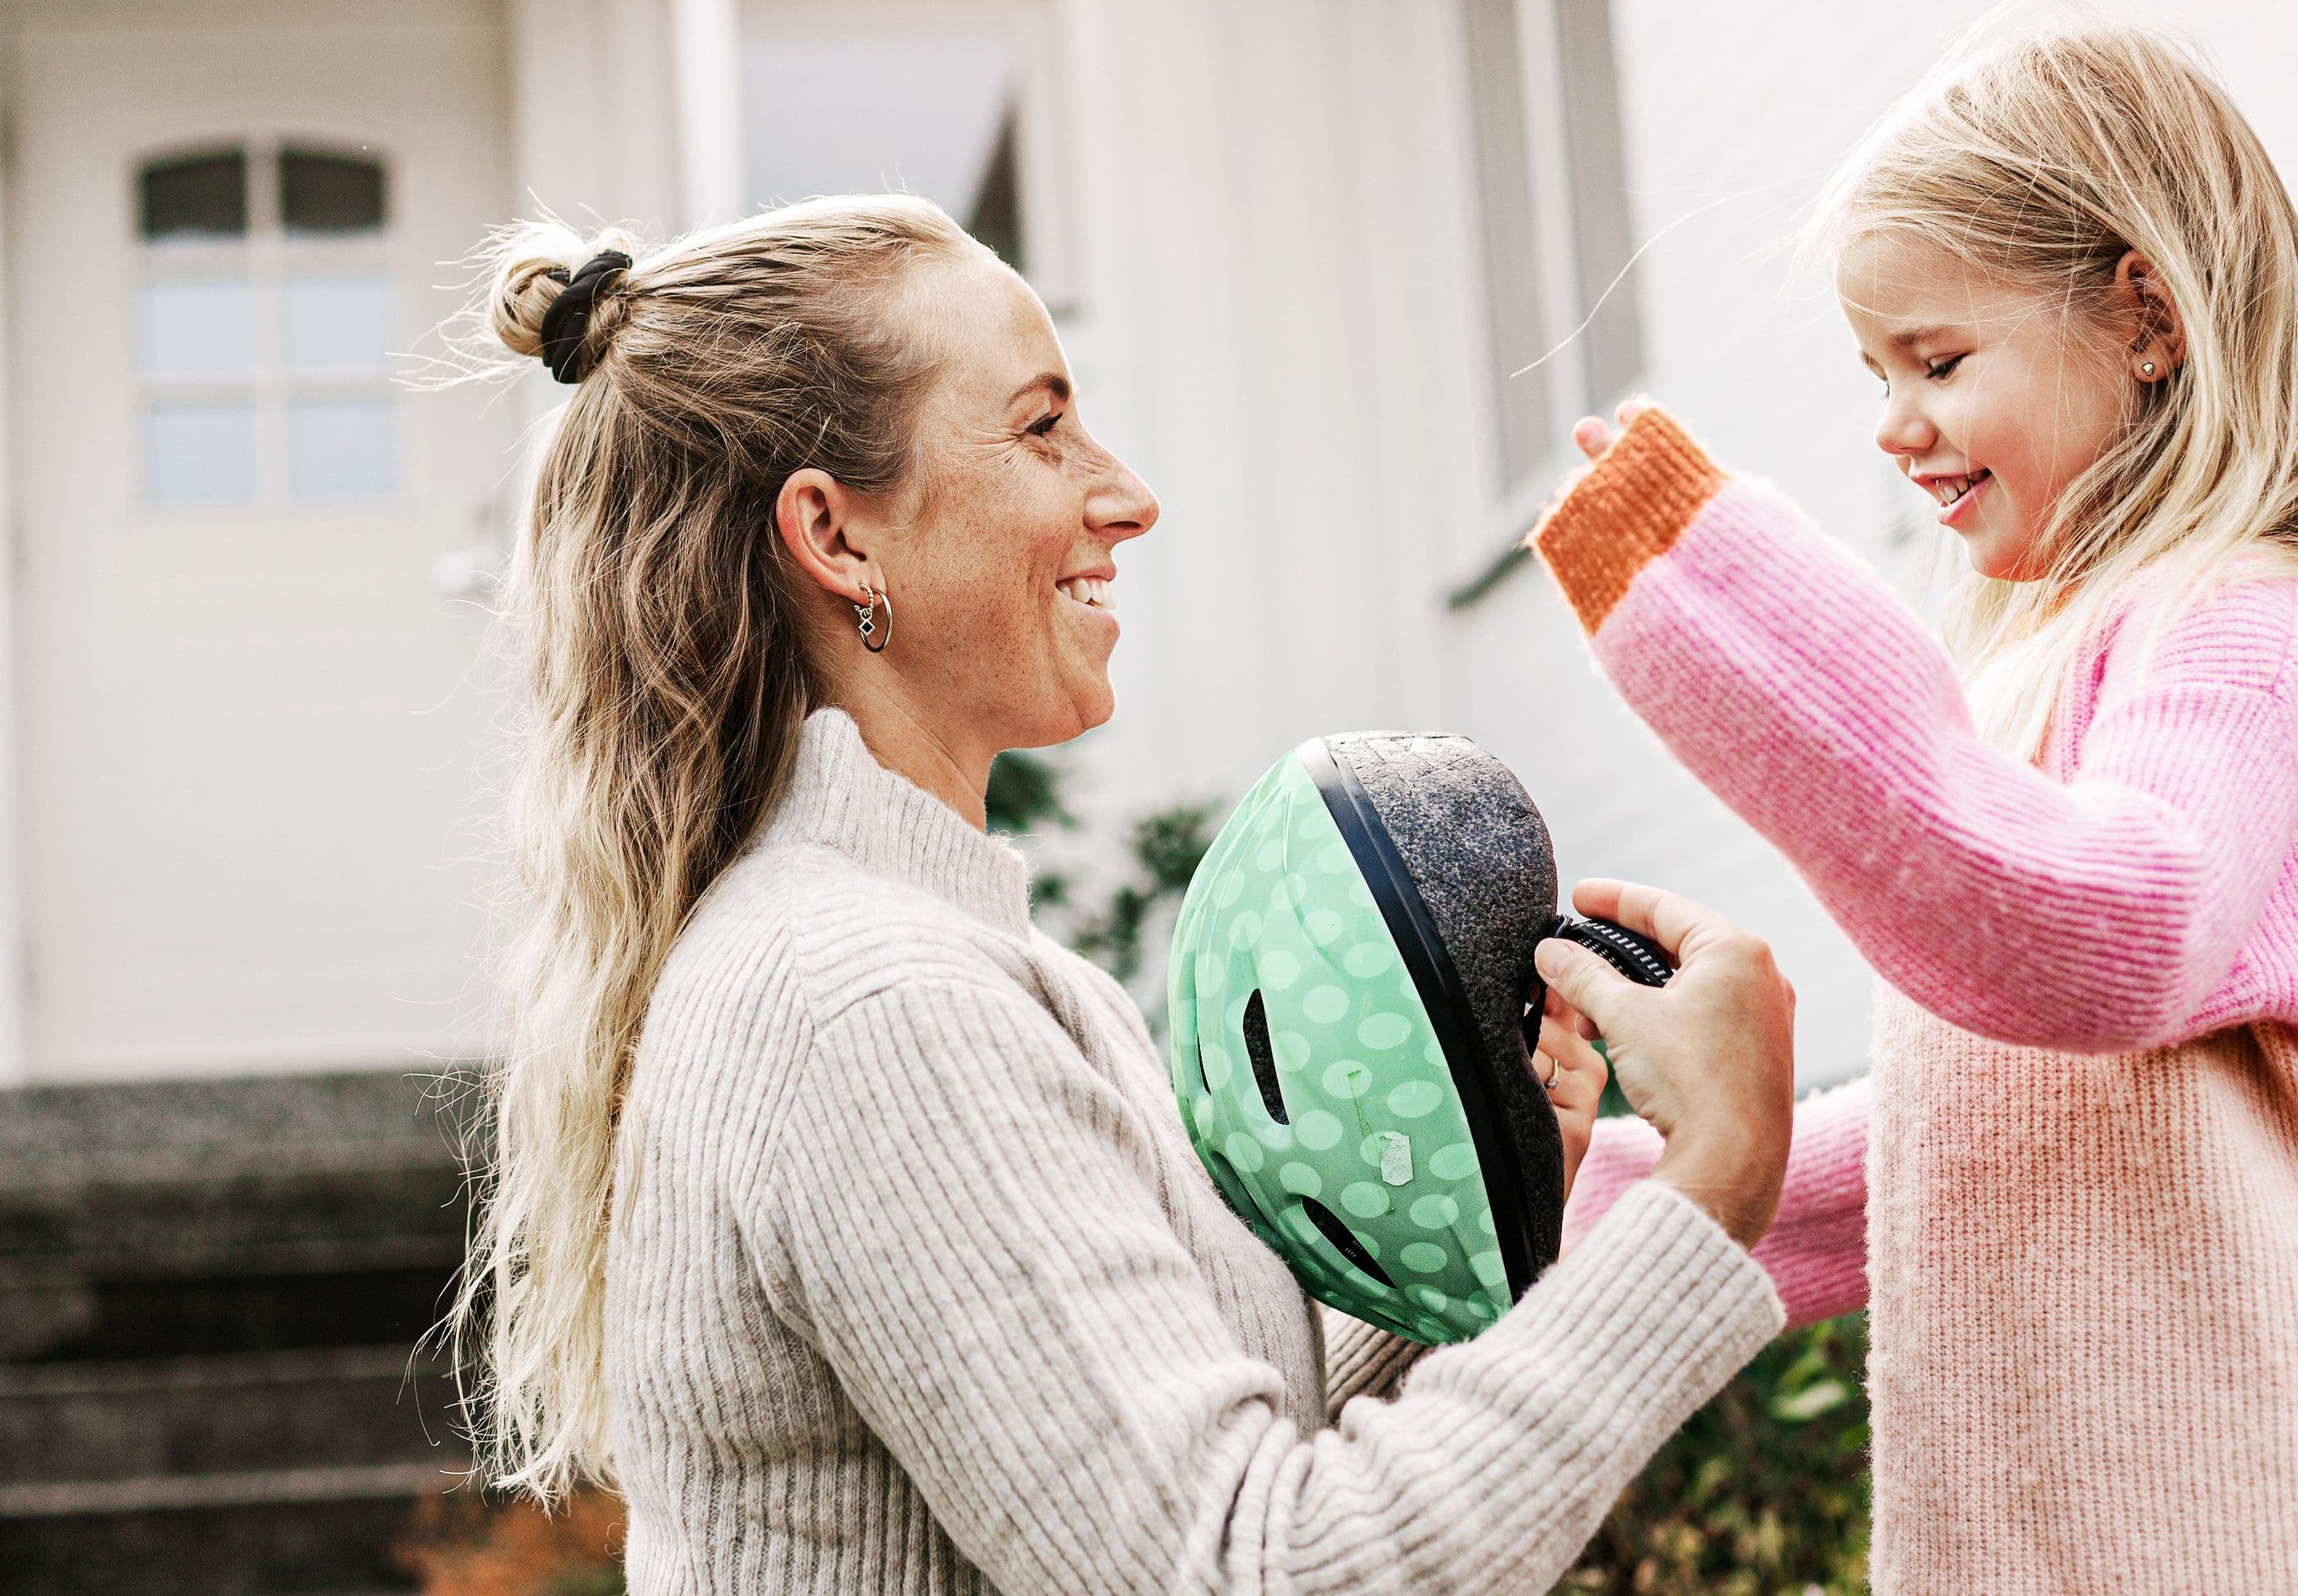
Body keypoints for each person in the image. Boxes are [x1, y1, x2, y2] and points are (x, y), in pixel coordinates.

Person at [450, 192, 1799, 1594]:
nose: (1128, 496)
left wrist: (1503, 1198)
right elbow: (1250, 1569)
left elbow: (1162, 1476)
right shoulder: (867, 1002)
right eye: (1042, 427)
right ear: (838, 539)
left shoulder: (957, 966)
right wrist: (1712, 1182)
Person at [1528, 20, 2298, 1591]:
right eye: (1878, 370)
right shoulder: (2025, 682)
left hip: (2274, 1536)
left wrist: (1727, 615)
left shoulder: (2241, 625)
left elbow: (2108, 934)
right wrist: (1617, 1174)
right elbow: (1954, 1151)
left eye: (1939, 358)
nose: (1893, 422)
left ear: (2143, 319)